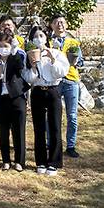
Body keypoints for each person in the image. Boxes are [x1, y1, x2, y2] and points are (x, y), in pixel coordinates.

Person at [22, 25, 69, 176]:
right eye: (35, 36)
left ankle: (54, 162)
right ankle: (41, 161)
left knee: (55, 127)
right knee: (39, 128)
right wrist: (34, 66)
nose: (38, 39)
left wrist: (53, 59)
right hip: (37, 92)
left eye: (41, 36)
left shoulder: (56, 53)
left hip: (53, 91)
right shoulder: (28, 56)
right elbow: (28, 78)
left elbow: (61, 73)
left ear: (47, 38)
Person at [0, 30, 28, 172]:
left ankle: (19, 161)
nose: (2, 48)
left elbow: (20, 67)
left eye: (5, 45)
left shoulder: (15, 57)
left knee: (19, 130)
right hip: (0, 98)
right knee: (3, 131)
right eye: (0, 45)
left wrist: (14, 50)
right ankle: (6, 160)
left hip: (16, 97)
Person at [49, 14, 83, 159]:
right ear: (51, 25)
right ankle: (51, 143)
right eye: (56, 22)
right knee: (51, 114)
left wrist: (76, 62)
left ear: (66, 25)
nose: (59, 25)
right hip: (55, 81)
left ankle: (71, 145)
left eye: (62, 22)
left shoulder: (74, 42)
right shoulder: (48, 42)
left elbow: (81, 61)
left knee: (72, 115)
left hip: (71, 80)